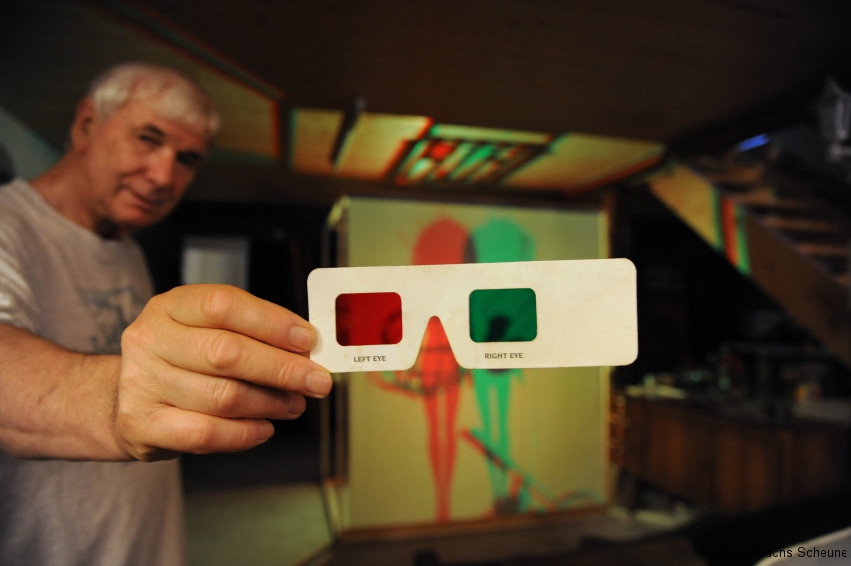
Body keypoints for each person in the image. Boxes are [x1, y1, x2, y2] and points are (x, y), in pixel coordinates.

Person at [0, 62, 333, 566]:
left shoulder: (126, 249)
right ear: (86, 125)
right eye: (147, 139)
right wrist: (120, 401)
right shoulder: (9, 225)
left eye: (186, 159)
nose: (163, 175)